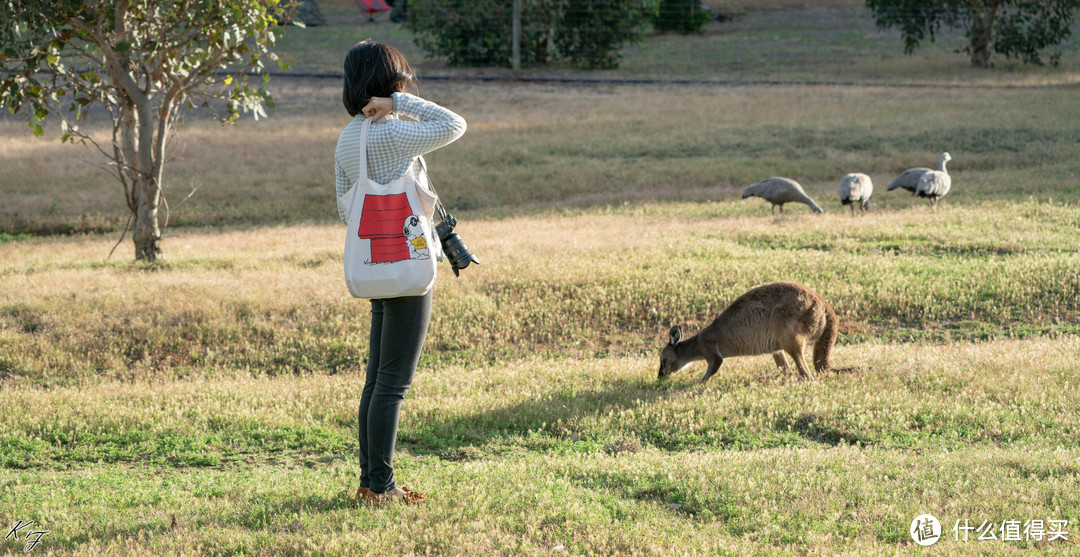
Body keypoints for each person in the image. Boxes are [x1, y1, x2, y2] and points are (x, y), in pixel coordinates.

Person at [334, 40, 466, 504]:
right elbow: (454, 124)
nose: (406, 87)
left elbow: (343, 206)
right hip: (408, 267)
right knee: (393, 384)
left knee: (376, 380)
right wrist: (398, 106)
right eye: (401, 81)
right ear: (389, 83)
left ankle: (371, 482)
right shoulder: (394, 132)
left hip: (376, 263)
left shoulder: (348, 137)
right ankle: (382, 487)